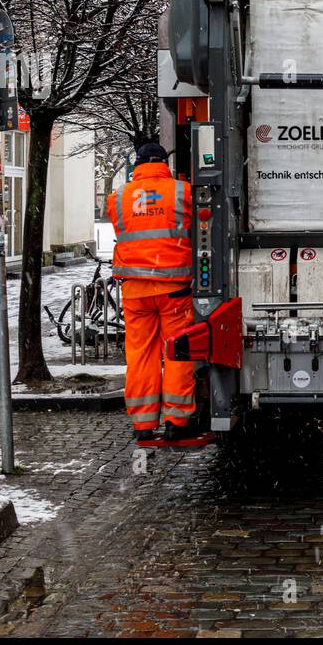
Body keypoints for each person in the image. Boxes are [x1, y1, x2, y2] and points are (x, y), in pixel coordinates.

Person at [105, 142, 197, 440]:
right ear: (164, 163)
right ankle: (176, 420)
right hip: (174, 288)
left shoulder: (118, 198)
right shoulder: (183, 191)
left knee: (140, 355)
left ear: (138, 164)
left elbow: (124, 230)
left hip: (135, 290)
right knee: (177, 353)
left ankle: (143, 424)